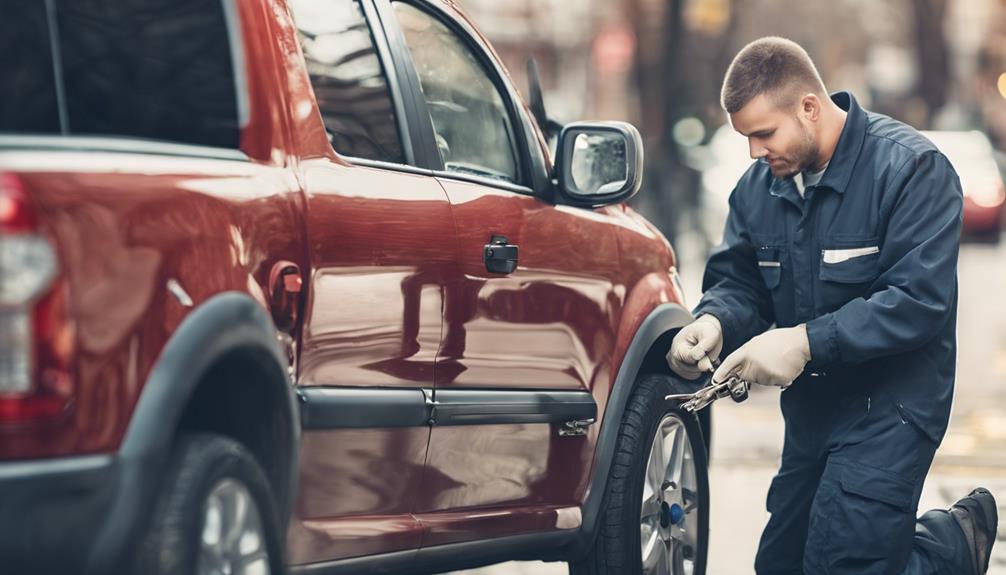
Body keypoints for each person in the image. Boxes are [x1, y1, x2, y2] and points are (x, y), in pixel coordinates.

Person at [669, 36, 997, 574]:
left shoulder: (911, 169)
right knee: (782, 566)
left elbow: (918, 301)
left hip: (893, 406)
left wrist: (802, 341)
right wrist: (714, 322)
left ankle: (951, 547)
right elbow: (741, 282)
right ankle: (947, 549)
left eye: (763, 134)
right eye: (746, 138)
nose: (754, 151)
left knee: (842, 564)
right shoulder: (758, 190)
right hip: (813, 412)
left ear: (809, 107)